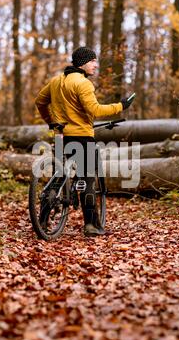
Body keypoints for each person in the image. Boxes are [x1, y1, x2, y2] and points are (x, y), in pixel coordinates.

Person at [35, 46, 135, 237]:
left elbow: (40, 101)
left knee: (57, 177)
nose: (96, 65)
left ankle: (42, 221)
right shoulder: (83, 83)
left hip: (61, 136)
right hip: (81, 135)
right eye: (93, 61)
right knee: (87, 179)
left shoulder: (56, 81)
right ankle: (91, 225)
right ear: (83, 63)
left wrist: (51, 122)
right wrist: (121, 105)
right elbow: (95, 111)